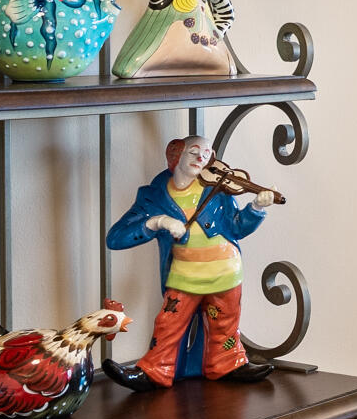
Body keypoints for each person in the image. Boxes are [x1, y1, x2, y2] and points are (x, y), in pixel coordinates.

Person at [107, 135, 281, 383]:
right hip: (183, 275)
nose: (201, 158)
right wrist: (157, 222)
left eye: (206, 153)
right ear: (175, 157)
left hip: (225, 272)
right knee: (169, 324)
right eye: (193, 152)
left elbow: (237, 227)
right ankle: (155, 371)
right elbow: (116, 238)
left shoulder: (218, 190)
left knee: (225, 324)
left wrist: (256, 208)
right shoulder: (154, 196)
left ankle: (229, 364)